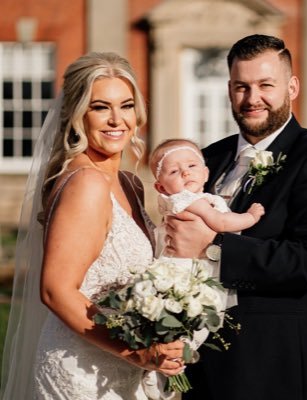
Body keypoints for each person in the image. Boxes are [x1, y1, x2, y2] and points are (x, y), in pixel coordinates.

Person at [165, 34, 307, 400]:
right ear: (229, 90)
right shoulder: (207, 158)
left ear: (292, 86)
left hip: (276, 368)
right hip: (201, 369)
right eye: (242, 87)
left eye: (265, 85)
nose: (253, 99)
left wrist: (214, 247)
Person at [0, 52, 184, 400]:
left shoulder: (130, 183)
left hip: (123, 370)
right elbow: (57, 291)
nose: (117, 119)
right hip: (81, 370)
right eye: (100, 107)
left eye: (126, 106)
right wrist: (137, 351)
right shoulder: (87, 183)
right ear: (76, 114)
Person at [149, 138, 265, 257]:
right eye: (173, 171)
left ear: (205, 174)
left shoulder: (185, 201)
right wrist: (250, 217)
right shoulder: (189, 201)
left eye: (191, 165)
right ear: (161, 188)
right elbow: (221, 222)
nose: (185, 172)